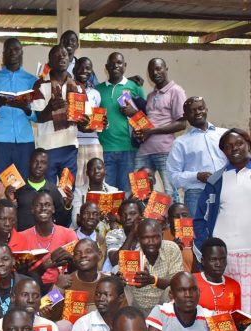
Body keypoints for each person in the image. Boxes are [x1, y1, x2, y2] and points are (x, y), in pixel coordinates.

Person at [193, 128, 251, 331]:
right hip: (227, 259)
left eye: (238, 143)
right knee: (231, 307)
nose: (234, 149)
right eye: (228, 146)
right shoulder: (218, 179)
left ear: (248, 143)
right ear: (223, 152)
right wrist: (205, 248)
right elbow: (200, 218)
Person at [30, 45, 87, 181]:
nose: (62, 57)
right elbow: (38, 118)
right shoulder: (40, 85)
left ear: (69, 59)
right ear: (49, 62)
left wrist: (87, 123)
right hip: (47, 148)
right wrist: (50, 108)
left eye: (65, 54)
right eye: (57, 55)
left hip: (70, 146)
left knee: (67, 191)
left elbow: (84, 125)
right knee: (48, 192)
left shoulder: (78, 87)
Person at [134, 58, 187, 202]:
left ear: (166, 69)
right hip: (144, 150)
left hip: (165, 150)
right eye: (151, 70)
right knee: (139, 191)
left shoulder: (176, 91)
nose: (155, 73)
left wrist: (151, 131)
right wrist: (140, 132)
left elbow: (182, 124)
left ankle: (174, 224)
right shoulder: (151, 95)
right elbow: (150, 122)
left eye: (158, 69)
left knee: (171, 192)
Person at [0, 38, 37, 179]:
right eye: (9, 50)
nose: (12, 52)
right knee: (1, 183)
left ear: (21, 53)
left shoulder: (31, 80)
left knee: (25, 182)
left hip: (25, 141)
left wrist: (27, 110)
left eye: (16, 49)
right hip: (1, 140)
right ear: (3, 54)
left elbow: (37, 116)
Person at [166, 96, 228, 214]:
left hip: (226, 190)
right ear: (185, 116)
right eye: (192, 111)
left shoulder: (224, 134)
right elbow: (172, 176)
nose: (198, 112)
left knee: (228, 230)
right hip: (197, 195)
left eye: (201, 108)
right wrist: (197, 176)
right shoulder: (180, 143)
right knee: (198, 232)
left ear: (207, 110)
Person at [95, 52, 146, 193]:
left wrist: (134, 113)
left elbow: (147, 116)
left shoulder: (134, 87)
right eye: (112, 63)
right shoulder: (98, 90)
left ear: (125, 66)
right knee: (108, 194)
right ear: (106, 67)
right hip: (105, 150)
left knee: (128, 193)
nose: (115, 66)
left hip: (129, 149)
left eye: (119, 63)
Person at [117, 218, 183, 315]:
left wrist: (152, 280)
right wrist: (120, 282)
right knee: (119, 284)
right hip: (136, 306)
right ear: (139, 239)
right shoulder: (131, 256)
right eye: (146, 238)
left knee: (175, 287)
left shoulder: (172, 249)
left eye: (156, 237)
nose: (151, 242)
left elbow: (178, 283)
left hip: (164, 305)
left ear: (162, 236)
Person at [19, 191, 78, 288]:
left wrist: (71, 259)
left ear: (53, 209)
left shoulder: (69, 234)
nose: (43, 208)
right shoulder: (22, 237)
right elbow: (21, 275)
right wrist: (43, 266)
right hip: (34, 289)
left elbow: (77, 268)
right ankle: (48, 302)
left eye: (47, 205)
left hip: (63, 287)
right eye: (39, 205)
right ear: (32, 210)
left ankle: (50, 301)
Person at [6, 149, 73, 232]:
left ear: (47, 166)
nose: (39, 165)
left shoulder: (54, 191)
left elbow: (63, 224)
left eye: (43, 162)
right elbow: (8, 221)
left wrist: (67, 206)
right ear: (29, 163)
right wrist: (10, 203)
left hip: (47, 241)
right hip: (23, 240)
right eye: (35, 161)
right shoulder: (17, 189)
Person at [73, 57, 103, 189]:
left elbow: (97, 120)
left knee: (97, 183)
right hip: (75, 144)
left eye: (88, 68)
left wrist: (103, 123)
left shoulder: (96, 94)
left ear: (92, 72)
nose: (84, 71)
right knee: (78, 184)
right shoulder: (69, 91)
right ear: (74, 69)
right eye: (81, 67)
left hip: (93, 143)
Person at [71, 157, 120, 221]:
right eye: (92, 169)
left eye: (99, 168)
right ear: (87, 173)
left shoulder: (114, 191)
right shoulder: (78, 193)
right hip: (87, 229)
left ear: (105, 171)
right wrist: (96, 219)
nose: (96, 171)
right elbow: (75, 221)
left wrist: (115, 217)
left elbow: (120, 217)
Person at [105, 197, 144, 268]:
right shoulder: (113, 234)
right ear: (119, 218)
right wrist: (132, 233)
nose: (128, 217)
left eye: (132, 213)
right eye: (124, 214)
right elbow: (115, 262)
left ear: (141, 216)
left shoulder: (148, 234)